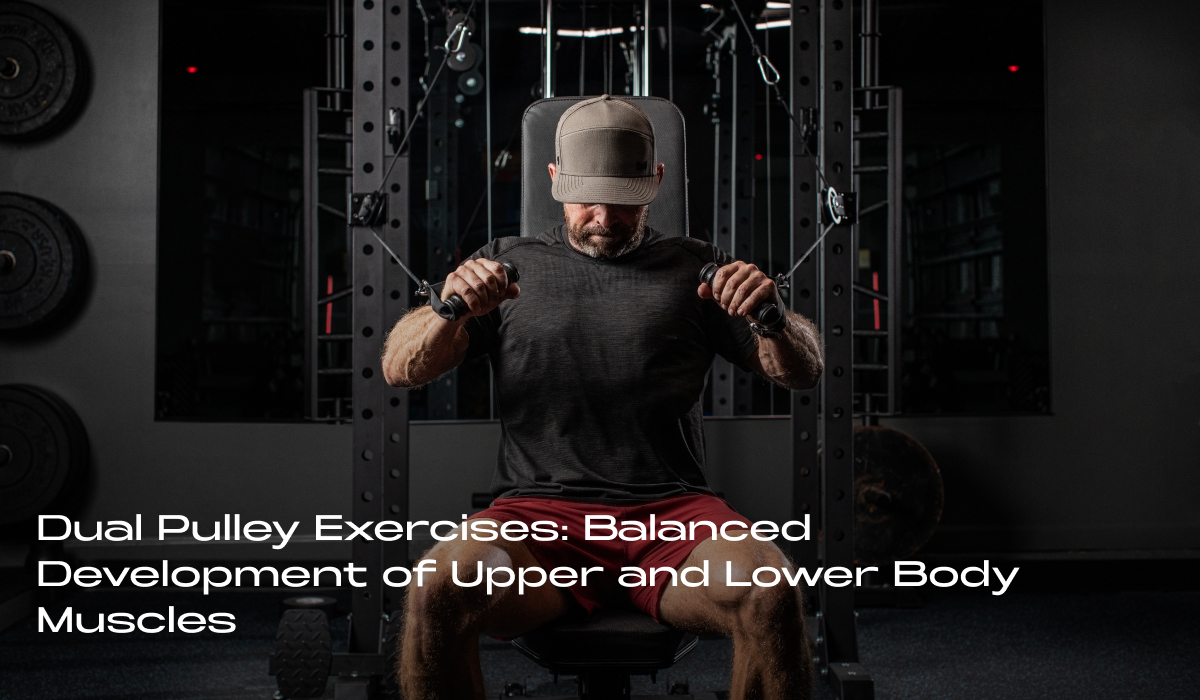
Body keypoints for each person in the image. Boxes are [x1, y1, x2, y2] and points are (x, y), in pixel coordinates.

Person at [382, 95, 823, 699]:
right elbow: (399, 368)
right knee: (438, 587)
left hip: (673, 518)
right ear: (555, 180)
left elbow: (803, 370)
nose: (604, 218)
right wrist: (448, 309)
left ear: (656, 183)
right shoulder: (507, 267)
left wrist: (772, 317)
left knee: (770, 591)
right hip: (538, 521)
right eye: (587, 197)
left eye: (624, 199)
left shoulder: (697, 270)